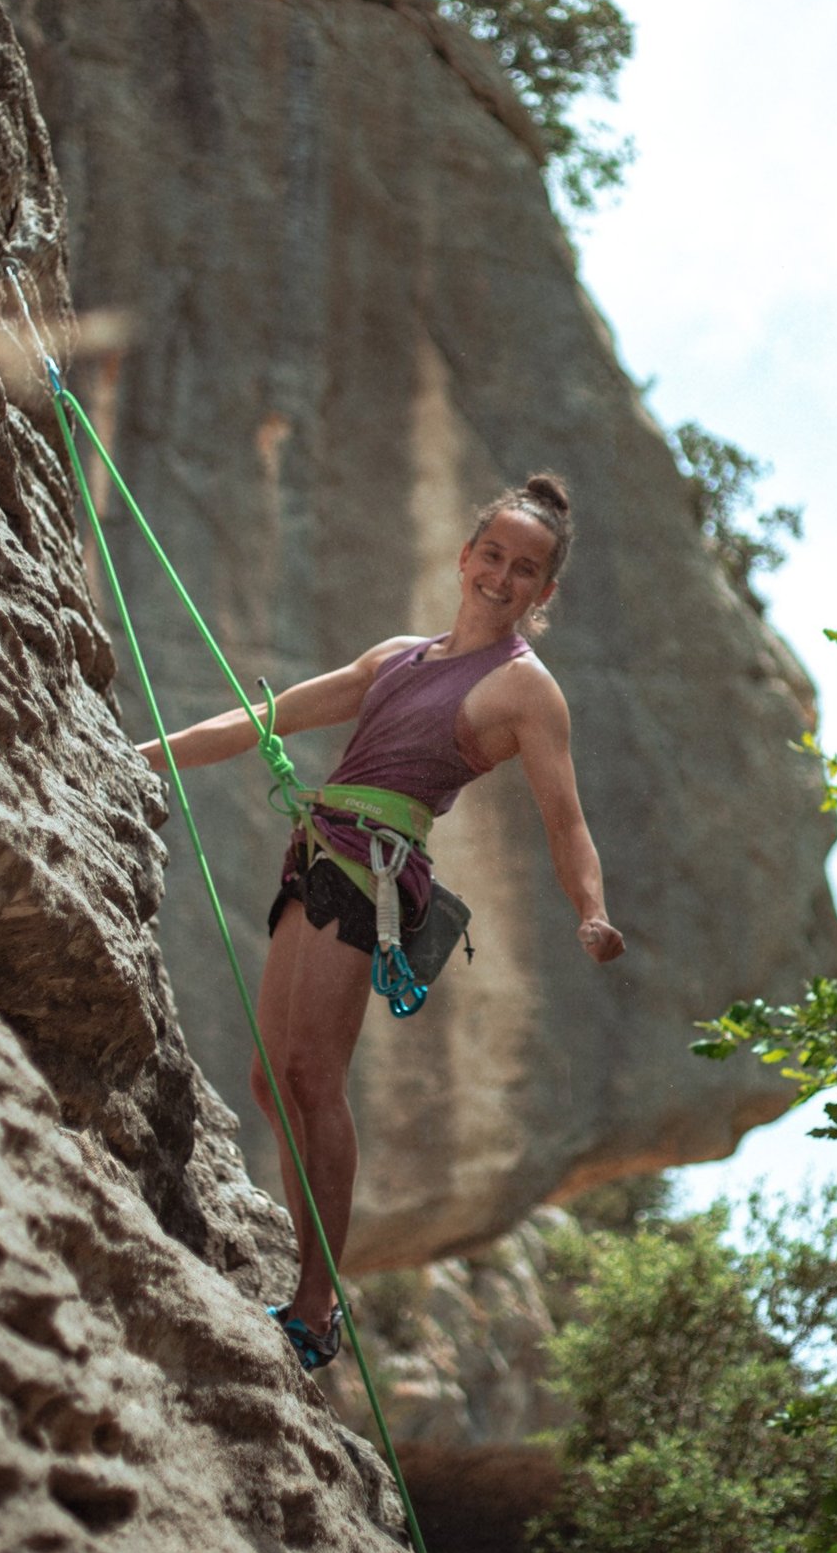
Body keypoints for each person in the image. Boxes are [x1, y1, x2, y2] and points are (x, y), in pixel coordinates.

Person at [139, 472, 624, 1371]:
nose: (502, 577)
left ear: (544, 592)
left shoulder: (526, 691)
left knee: (311, 1072)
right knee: (271, 1077)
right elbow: (266, 717)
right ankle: (310, 1278)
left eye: (524, 570)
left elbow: (567, 820)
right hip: (319, 854)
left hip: (373, 871)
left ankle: (317, 1301)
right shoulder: (396, 658)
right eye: (492, 555)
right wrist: (143, 757)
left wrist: (590, 911)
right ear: (465, 557)